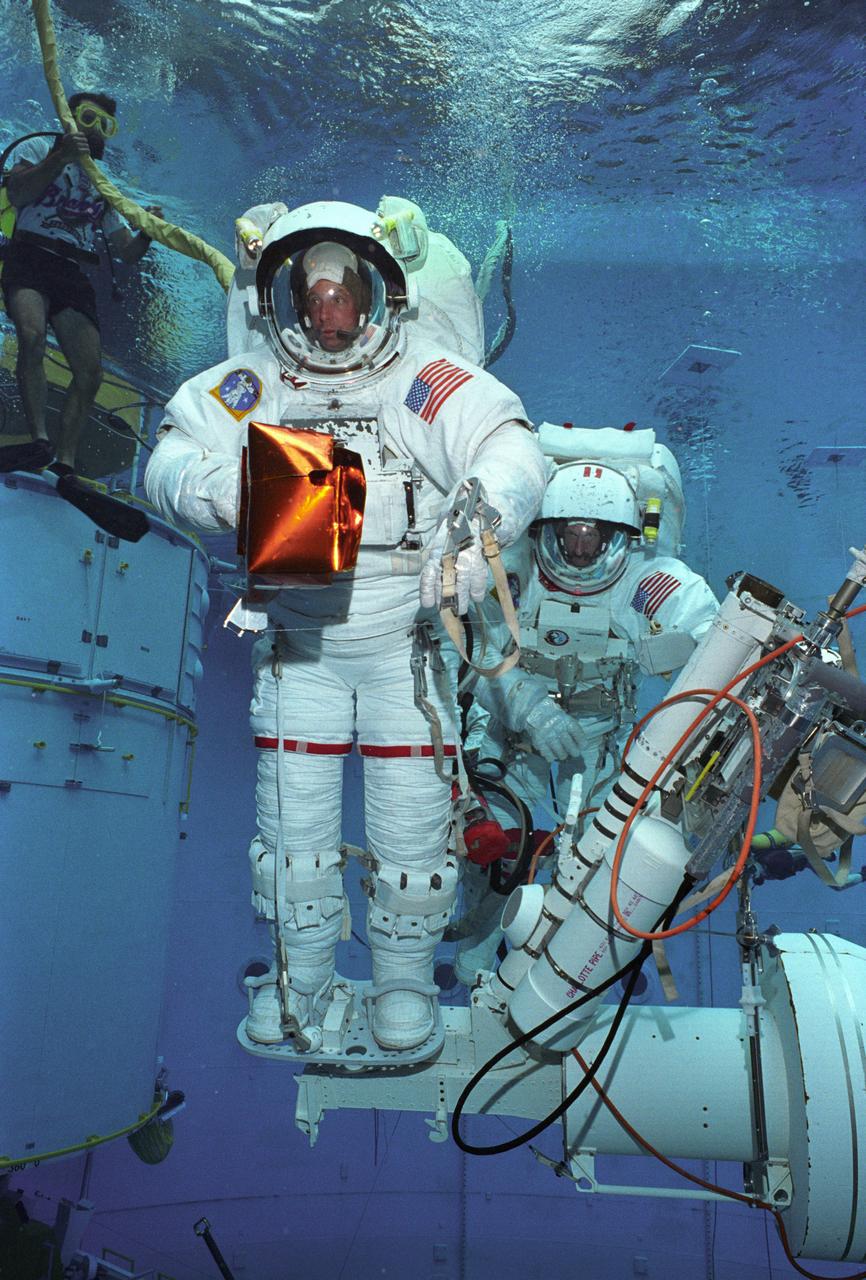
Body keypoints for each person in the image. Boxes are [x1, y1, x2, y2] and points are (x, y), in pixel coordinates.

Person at [144, 200, 547, 1054]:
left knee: (411, 843)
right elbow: (171, 456)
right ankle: (301, 985)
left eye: (343, 295)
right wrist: (225, 491)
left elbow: (509, 446)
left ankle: (402, 985)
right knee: (293, 845)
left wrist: (482, 518)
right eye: (312, 296)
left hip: (405, 650)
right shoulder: (258, 383)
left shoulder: (422, 379)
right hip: (301, 654)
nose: (329, 316)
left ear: (375, 296)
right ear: (287, 300)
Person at [453, 437, 720, 983]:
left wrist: (688, 652)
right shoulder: (511, 568)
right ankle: (476, 954)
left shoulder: (649, 580)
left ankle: (571, 966)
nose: (578, 550)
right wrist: (528, 707)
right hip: (512, 724)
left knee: (603, 854)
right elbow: (463, 642)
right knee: (498, 846)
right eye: (568, 534)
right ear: (545, 530)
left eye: (592, 536)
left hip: (601, 731)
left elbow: (713, 637)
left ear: (619, 537)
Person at [0, 93, 159, 539]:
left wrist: (147, 230)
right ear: (69, 119)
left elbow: (124, 250)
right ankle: (38, 440)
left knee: (90, 373)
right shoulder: (37, 148)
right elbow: (19, 191)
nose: (94, 129)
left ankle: (63, 463)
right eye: (87, 119)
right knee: (31, 336)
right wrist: (60, 154)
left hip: (73, 269)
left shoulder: (102, 179)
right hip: (30, 255)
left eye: (104, 124)